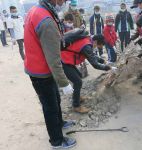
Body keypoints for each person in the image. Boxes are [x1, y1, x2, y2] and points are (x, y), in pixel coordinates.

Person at [24, 0, 77, 148]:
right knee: (50, 107)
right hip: (41, 72)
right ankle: (57, 141)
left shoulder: (38, 9)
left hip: (38, 66)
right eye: (64, 0)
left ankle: (60, 123)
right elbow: (54, 60)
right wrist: (64, 83)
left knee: (55, 100)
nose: (65, 2)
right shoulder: (46, 21)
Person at [61, 29, 117, 113]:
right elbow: (95, 65)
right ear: (96, 42)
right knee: (78, 82)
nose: (97, 48)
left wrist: (104, 61)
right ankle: (76, 106)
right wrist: (109, 68)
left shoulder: (87, 41)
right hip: (63, 60)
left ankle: (78, 97)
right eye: (98, 46)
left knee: (78, 76)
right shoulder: (86, 45)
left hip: (68, 59)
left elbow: (92, 55)